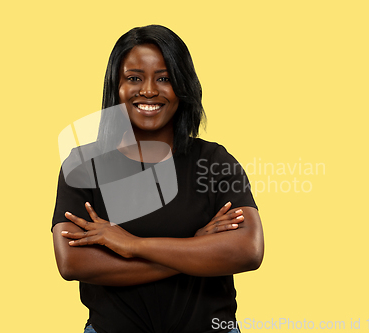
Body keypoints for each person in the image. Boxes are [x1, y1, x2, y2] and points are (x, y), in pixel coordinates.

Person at [52, 25, 264, 333]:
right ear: (117, 85)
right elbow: (73, 263)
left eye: (164, 78)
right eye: (134, 78)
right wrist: (194, 248)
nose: (149, 90)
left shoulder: (214, 162)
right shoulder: (84, 164)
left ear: (183, 86)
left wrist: (133, 245)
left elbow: (248, 250)